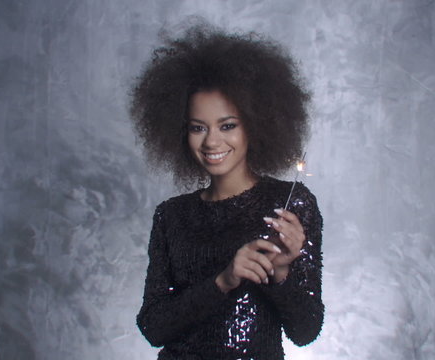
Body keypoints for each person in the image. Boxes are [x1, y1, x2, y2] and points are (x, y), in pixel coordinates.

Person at [130, 23, 324, 359]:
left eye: (228, 125)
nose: (211, 142)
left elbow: (306, 331)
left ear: (256, 124)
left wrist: (279, 273)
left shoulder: (290, 205)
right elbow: (154, 327)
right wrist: (224, 280)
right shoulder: (171, 216)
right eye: (197, 128)